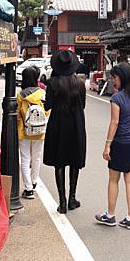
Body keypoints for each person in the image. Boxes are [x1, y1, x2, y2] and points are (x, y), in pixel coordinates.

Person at [95, 62, 130, 230]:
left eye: (115, 78)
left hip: (122, 143)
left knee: (113, 179)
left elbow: (114, 122)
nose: (113, 81)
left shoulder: (117, 98)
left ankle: (110, 215)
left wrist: (107, 146)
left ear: (122, 78)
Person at [43, 50, 86, 213]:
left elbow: (48, 105)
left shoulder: (52, 83)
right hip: (76, 123)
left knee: (59, 162)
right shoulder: (80, 83)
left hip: (58, 123)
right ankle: (72, 198)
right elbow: (82, 105)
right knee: (75, 161)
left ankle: (62, 201)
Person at [17, 67, 48, 199]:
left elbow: (18, 115)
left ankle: (28, 189)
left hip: (24, 131)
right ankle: (34, 182)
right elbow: (47, 111)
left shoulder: (21, 95)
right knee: (36, 157)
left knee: (25, 158)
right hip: (40, 130)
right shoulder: (42, 93)